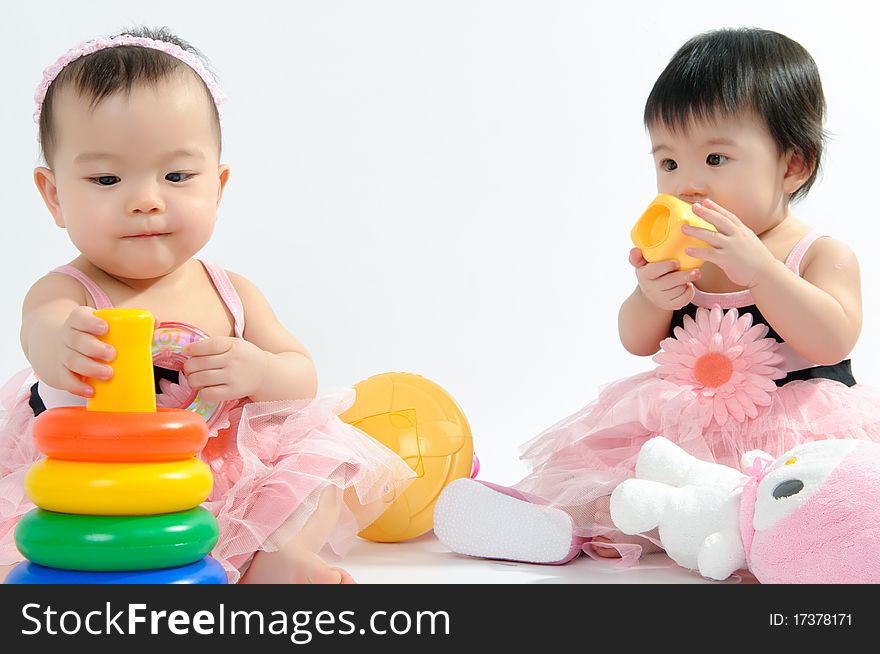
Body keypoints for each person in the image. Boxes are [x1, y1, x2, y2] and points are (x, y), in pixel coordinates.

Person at [434, 27, 880, 566]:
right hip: (685, 431)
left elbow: (832, 340)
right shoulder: (681, 256)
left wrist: (762, 272)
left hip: (789, 436)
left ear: (792, 165)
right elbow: (636, 340)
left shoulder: (815, 254)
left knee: (812, 493)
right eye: (668, 163)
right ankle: (554, 527)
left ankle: (766, 544)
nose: (686, 184)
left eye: (715, 160)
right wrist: (652, 293)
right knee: (629, 480)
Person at [0, 27, 414, 584]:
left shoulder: (230, 291)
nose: (146, 200)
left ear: (217, 186)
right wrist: (64, 342)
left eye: (176, 176)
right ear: (54, 195)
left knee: (319, 467)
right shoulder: (67, 293)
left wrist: (257, 368)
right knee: (43, 520)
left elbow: (302, 376)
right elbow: (42, 337)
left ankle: (278, 557)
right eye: (106, 178)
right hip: (98, 477)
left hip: (225, 465)